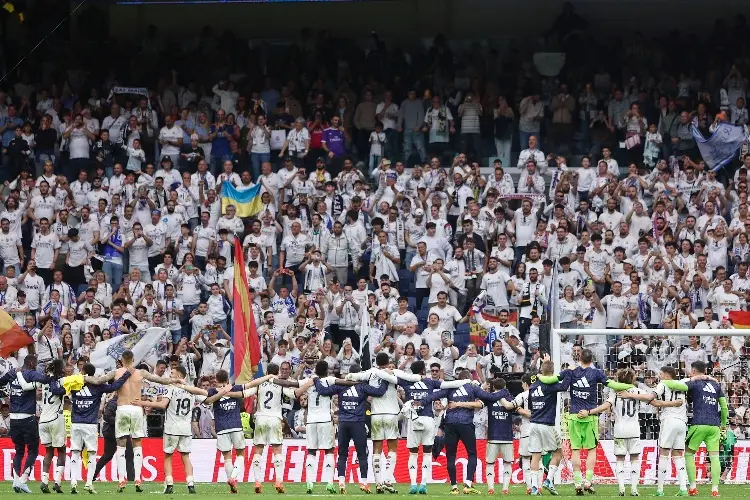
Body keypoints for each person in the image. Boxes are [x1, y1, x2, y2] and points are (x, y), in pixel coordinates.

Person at [537, 349, 633, 494]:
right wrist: (631, 386)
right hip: (590, 417)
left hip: (574, 416)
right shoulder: (597, 373)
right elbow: (614, 385)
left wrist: (539, 375)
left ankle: (577, 483)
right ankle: (587, 481)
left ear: (579, 358)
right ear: (592, 359)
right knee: (591, 450)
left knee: (575, 450)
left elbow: (549, 380)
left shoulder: (570, 372)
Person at [584, 368, 683, 496]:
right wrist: (673, 403)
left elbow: (605, 406)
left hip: (619, 429)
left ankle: (621, 488)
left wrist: (590, 412)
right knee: (635, 459)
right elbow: (655, 403)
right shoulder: (638, 391)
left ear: (618, 379)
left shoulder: (615, 391)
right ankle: (634, 489)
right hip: (634, 429)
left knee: (620, 459)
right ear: (632, 379)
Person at [178, 368, 274, 493]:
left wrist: (183, 384)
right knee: (240, 454)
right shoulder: (235, 388)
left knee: (227, 456)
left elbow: (198, 391)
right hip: (236, 426)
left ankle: (232, 485)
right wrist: (268, 376)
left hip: (221, 428)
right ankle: (233, 477)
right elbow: (253, 383)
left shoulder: (212, 391)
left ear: (216, 380)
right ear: (227, 379)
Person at [422, 368, 505, 494]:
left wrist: (421, 401)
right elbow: (490, 396)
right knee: (472, 453)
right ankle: (467, 484)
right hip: (466, 423)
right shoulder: (472, 387)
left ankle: (454, 487)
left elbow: (434, 395)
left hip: (450, 424)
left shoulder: (451, 387)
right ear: (468, 379)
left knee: (451, 456)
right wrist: (503, 392)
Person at [656, 361, 728, 497]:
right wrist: (723, 426)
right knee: (714, 457)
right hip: (715, 425)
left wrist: (696, 379)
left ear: (693, 371)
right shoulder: (716, 384)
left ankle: (693, 488)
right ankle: (715, 489)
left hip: (699, 424)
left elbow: (672, 383)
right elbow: (724, 408)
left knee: (688, 454)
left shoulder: (693, 383)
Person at [315, 364, 387, 494]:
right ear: (360, 374)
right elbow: (380, 392)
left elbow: (322, 391)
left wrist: (315, 380)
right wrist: (386, 379)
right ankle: (364, 483)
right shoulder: (363, 386)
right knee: (362, 455)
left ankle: (341, 482)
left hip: (343, 424)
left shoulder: (341, 385)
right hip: (357, 423)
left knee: (342, 455)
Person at [620, 366, 689, 496]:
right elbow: (673, 402)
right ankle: (683, 488)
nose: (659, 376)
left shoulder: (663, 385)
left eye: (661, 374)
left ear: (668, 375)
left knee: (663, 454)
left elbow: (650, 396)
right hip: (682, 422)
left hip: (669, 420)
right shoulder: (681, 385)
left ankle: (660, 490)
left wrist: (629, 394)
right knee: (678, 455)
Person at [67, 363, 133, 493]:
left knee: (75, 452)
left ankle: (73, 482)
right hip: (90, 424)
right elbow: (115, 386)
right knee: (91, 454)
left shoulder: (74, 385)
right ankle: (89, 483)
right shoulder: (97, 386)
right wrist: (126, 374)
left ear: (83, 372)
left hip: (76, 424)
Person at [0, 355, 55, 493]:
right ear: (31, 363)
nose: (36, 365)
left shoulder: (13, 373)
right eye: (35, 363)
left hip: (13, 418)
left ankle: (15, 481)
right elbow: (44, 379)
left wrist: (12, 375)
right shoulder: (30, 373)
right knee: (33, 450)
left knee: (19, 450)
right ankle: (24, 479)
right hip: (27, 418)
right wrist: (50, 372)